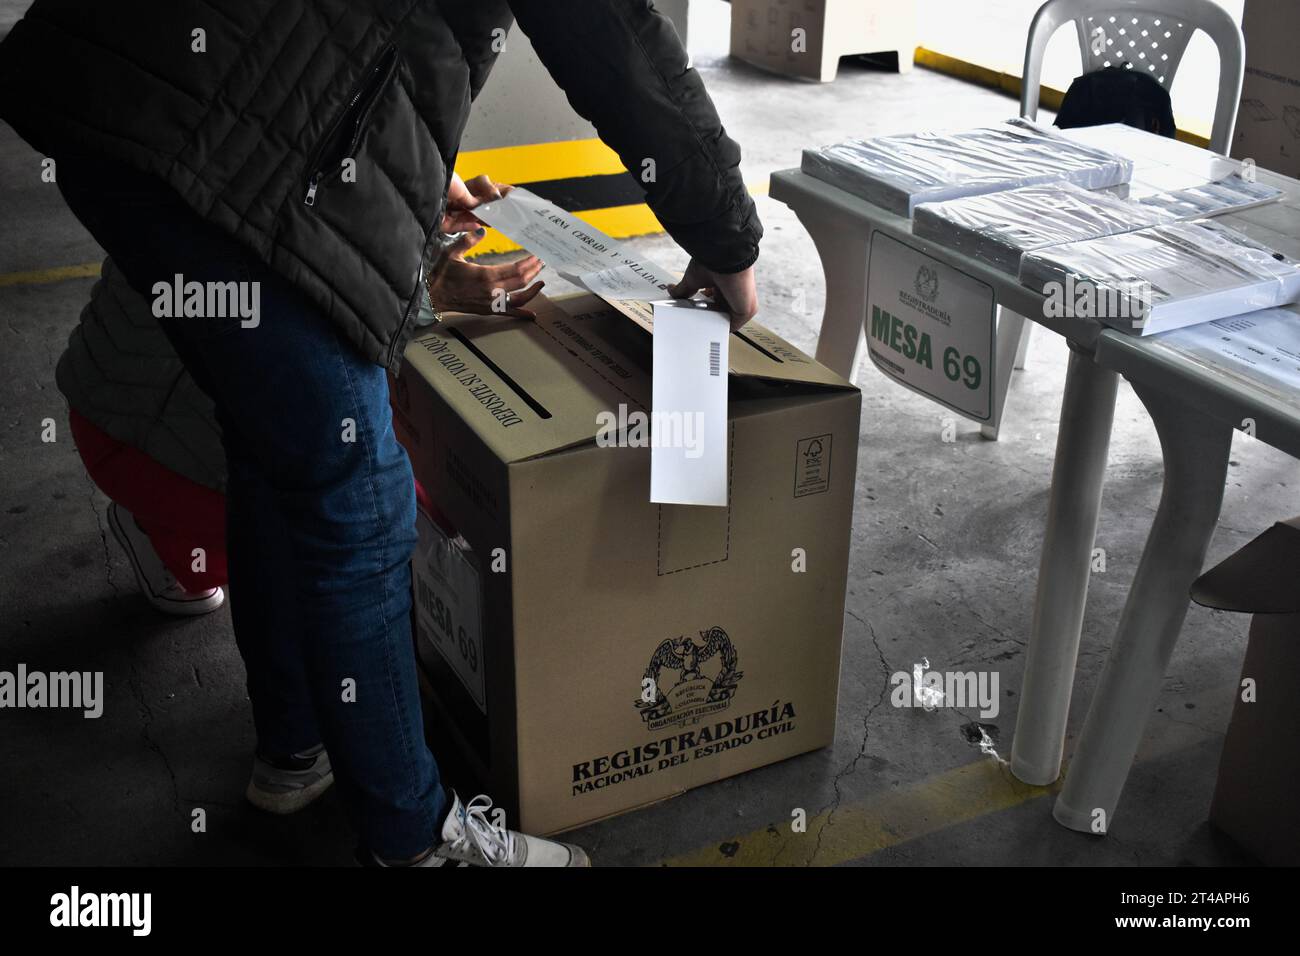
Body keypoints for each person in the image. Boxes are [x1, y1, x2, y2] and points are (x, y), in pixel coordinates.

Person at [0, 1, 762, 868]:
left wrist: (408, 169)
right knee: (358, 497)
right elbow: (611, 36)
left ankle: (297, 749)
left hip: (125, 96)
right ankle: (412, 838)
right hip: (204, 126)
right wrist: (725, 235)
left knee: (269, 446)